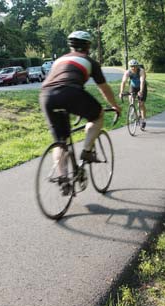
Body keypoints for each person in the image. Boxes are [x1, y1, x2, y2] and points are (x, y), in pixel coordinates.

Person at [39, 31, 121, 191]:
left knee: (61, 142)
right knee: (97, 116)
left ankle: (64, 178)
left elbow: (56, 82)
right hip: (70, 92)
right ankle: (86, 151)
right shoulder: (89, 61)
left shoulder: (59, 60)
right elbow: (104, 88)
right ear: (88, 46)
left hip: (46, 96)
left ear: (71, 46)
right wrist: (115, 105)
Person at [119, 59, 147, 130]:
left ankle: (143, 120)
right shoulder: (128, 72)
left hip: (142, 86)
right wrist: (121, 92)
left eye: (134, 66)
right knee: (131, 100)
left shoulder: (141, 71)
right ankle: (134, 113)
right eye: (131, 66)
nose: (133, 68)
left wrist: (141, 91)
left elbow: (142, 81)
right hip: (133, 86)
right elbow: (123, 82)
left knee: (141, 104)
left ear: (137, 66)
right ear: (129, 66)